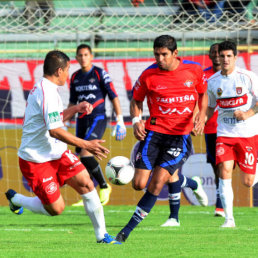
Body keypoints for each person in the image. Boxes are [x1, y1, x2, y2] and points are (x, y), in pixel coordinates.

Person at [5, 50, 121, 244]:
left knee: (86, 182)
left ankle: (102, 236)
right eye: (67, 70)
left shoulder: (49, 89)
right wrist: (86, 144)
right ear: (59, 71)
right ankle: (17, 199)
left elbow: (55, 120)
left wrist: (76, 108)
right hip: (36, 160)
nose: (68, 74)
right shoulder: (46, 92)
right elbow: (55, 131)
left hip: (56, 153)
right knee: (56, 209)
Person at [116, 34, 208, 242]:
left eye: (164, 54)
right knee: (139, 184)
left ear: (175, 53)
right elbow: (136, 100)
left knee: (157, 183)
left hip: (179, 138)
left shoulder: (193, 70)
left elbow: (203, 94)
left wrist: (200, 116)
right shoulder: (148, 75)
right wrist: (136, 120)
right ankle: (191, 183)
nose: (159, 58)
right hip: (154, 135)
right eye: (156, 54)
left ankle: (125, 232)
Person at [207, 40, 258, 228]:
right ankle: (229, 219)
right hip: (225, 134)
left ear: (236, 57)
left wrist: (247, 114)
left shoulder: (248, 77)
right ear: (217, 57)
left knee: (248, 182)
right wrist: (200, 121)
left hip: (248, 133)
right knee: (224, 171)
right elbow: (210, 107)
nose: (225, 59)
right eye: (222, 56)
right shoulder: (212, 82)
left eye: (229, 56)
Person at [68, 44, 126, 207]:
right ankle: (88, 195)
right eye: (80, 55)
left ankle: (105, 186)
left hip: (98, 118)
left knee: (86, 153)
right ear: (76, 57)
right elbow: (73, 102)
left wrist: (120, 120)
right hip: (81, 120)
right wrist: (64, 122)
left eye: (86, 54)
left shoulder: (100, 74)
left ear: (91, 56)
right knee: (81, 159)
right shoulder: (74, 77)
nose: (83, 58)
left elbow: (114, 97)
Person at [130, 141, 208, 227]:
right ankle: (194, 184)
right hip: (153, 138)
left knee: (170, 174)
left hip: (174, 139)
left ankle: (174, 218)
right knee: (141, 183)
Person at [203, 43, 225, 217]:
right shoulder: (204, 75)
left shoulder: (232, 75)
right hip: (210, 128)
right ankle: (221, 204)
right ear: (209, 55)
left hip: (231, 128)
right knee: (217, 166)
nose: (217, 56)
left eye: (220, 53)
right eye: (214, 53)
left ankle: (221, 204)